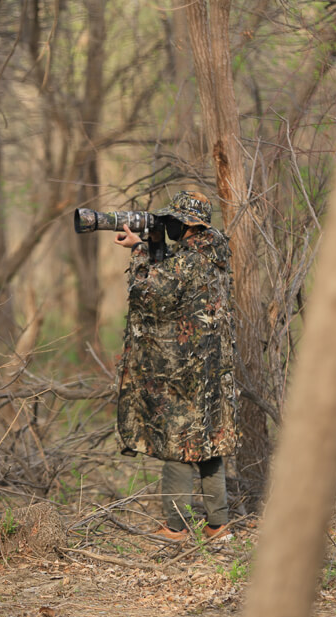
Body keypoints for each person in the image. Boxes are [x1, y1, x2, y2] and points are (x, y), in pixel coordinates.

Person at [113, 190, 240, 541]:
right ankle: (218, 524)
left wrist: (140, 251)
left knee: (178, 445)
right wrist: (151, 243)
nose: (166, 226)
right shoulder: (212, 252)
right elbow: (176, 272)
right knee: (208, 442)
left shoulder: (189, 261)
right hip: (213, 370)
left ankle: (176, 527)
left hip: (185, 370)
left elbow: (149, 291)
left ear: (186, 225)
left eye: (172, 222)